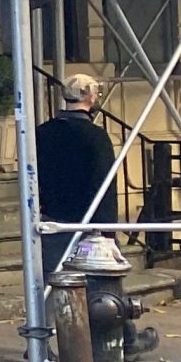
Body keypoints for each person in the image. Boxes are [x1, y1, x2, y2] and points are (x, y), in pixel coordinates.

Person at [35, 74, 119, 284]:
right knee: (97, 287)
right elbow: (104, 184)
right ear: (90, 97)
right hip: (88, 224)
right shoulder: (96, 137)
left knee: (55, 284)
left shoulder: (42, 133)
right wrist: (108, 230)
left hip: (52, 219)